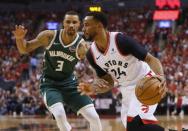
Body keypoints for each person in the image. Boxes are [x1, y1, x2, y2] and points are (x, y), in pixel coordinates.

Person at [78, 11, 186, 131]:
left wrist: (160, 76)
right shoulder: (91, 55)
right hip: (126, 90)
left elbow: (151, 59)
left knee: (134, 126)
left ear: (99, 26)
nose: (83, 28)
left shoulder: (120, 40)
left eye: (86, 24)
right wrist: (94, 88)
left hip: (145, 82)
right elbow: (109, 82)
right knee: (134, 128)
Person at [12, 11, 102, 131]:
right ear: (63, 23)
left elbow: (96, 65)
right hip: (50, 84)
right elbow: (25, 49)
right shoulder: (49, 36)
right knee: (59, 114)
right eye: (68, 22)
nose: (71, 25)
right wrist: (19, 38)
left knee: (94, 117)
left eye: (74, 22)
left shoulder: (82, 46)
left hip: (70, 84)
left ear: (79, 24)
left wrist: (97, 80)